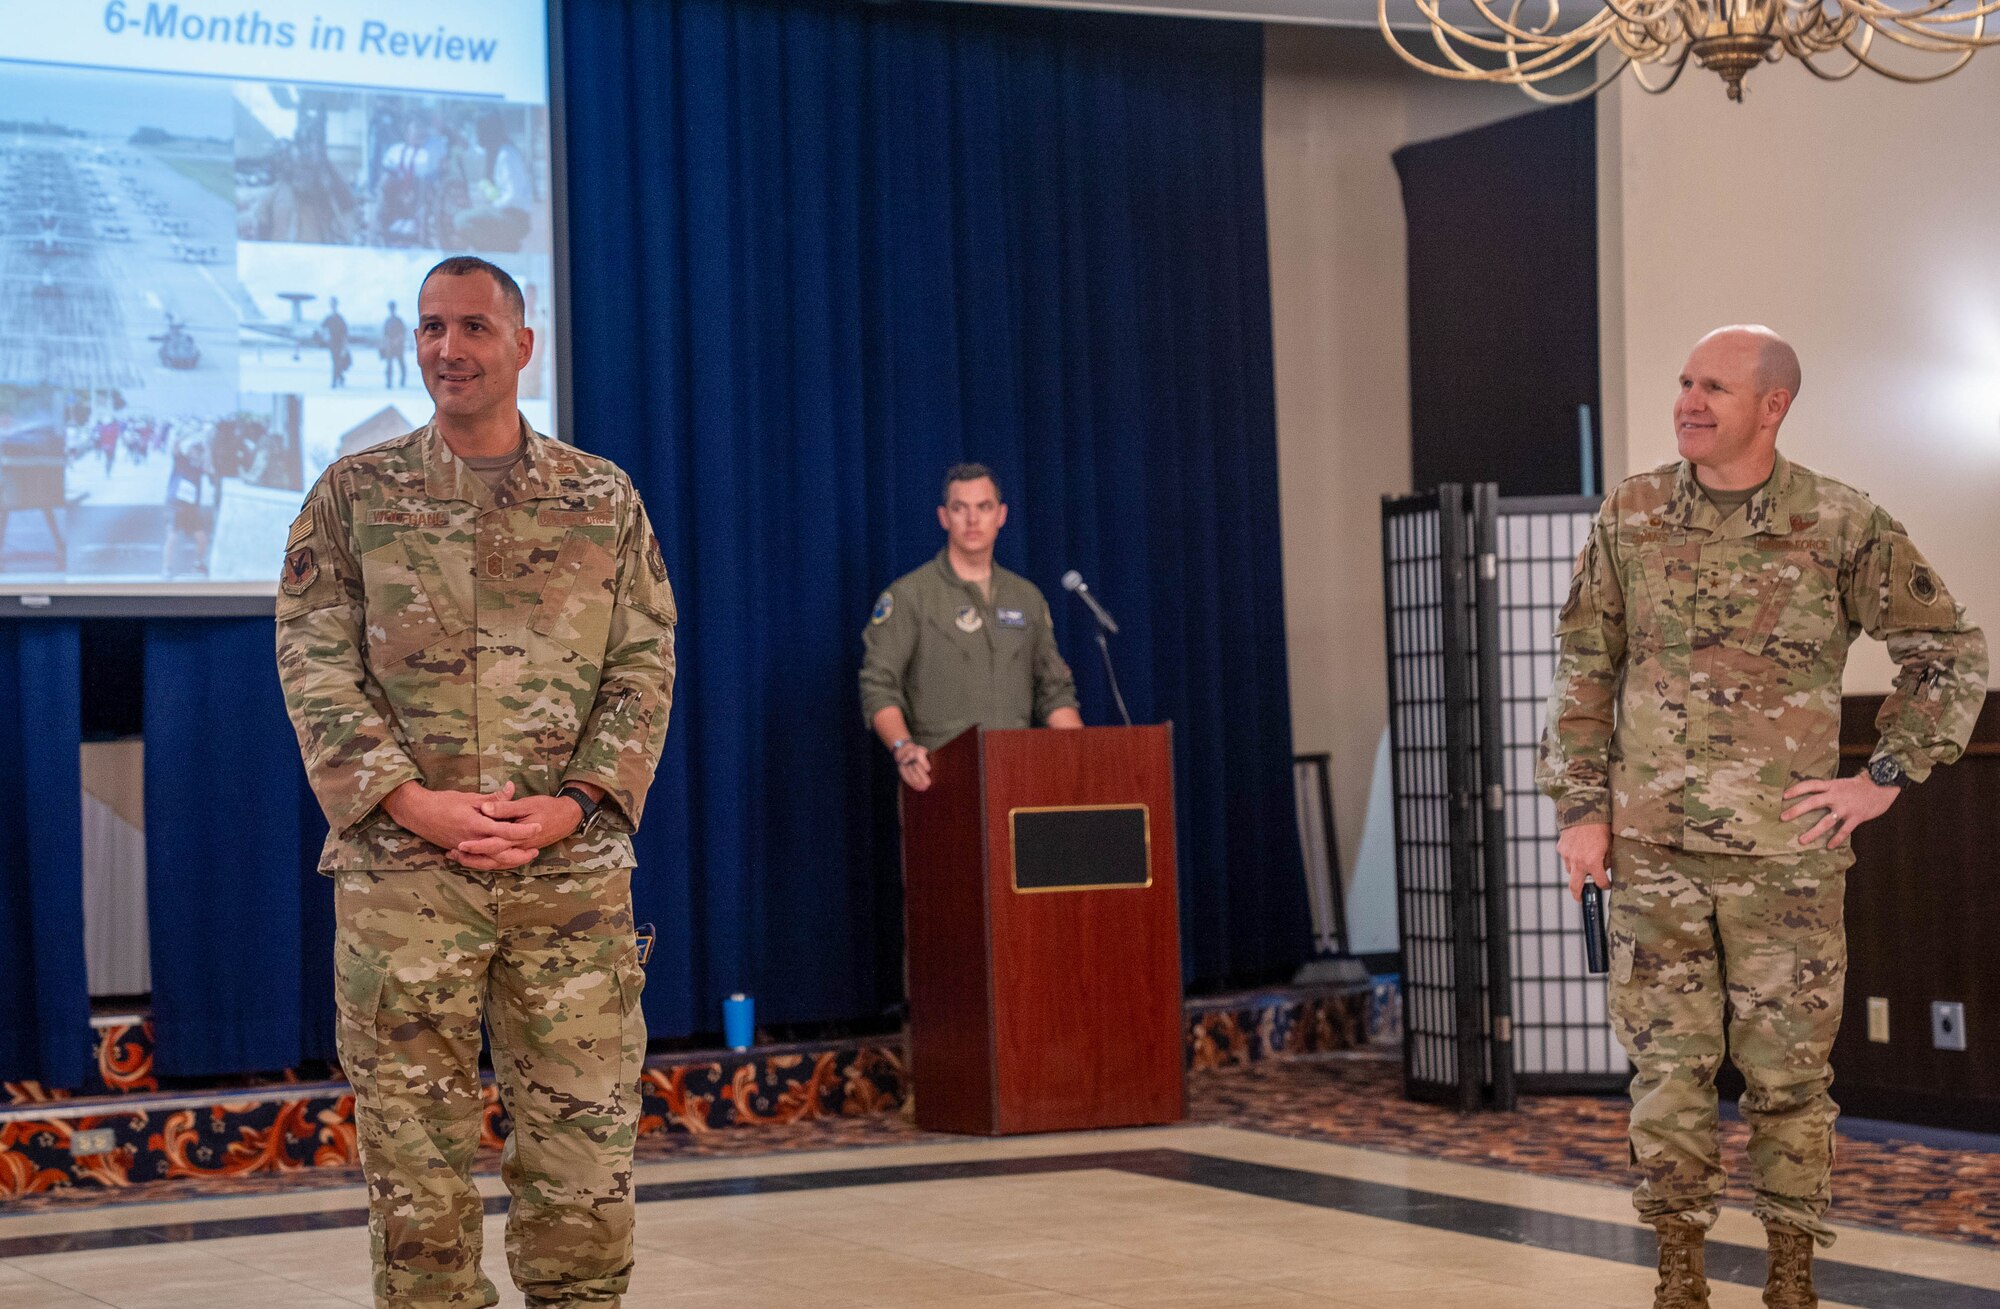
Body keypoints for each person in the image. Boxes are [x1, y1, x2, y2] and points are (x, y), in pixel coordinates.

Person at [1539, 325, 1987, 1309]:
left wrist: (1883, 778)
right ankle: (1676, 1277)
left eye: (1713, 386)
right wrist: (1579, 808)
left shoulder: (1837, 523)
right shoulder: (1633, 512)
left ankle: (1790, 1275)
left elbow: (1947, 653)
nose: (1687, 400)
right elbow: (1583, 667)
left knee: (1788, 1086)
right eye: (1682, 382)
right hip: (1651, 858)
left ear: (1770, 406)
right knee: (1666, 1076)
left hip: (1785, 862)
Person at [275, 255, 676, 1309]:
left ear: (521, 345)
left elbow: (644, 660)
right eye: (428, 328)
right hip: (408, 884)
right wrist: (410, 800)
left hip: (571, 882)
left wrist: (574, 804)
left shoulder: (602, 497)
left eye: (471, 328)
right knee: (417, 1185)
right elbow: (313, 659)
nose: (447, 349)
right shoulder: (354, 496)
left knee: (584, 1170)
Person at [859, 462, 1082, 792]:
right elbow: (878, 684)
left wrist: (1084, 756)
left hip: (1018, 777)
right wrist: (902, 747)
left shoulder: (1026, 598)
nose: (973, 520)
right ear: (943, 517)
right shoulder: (909, 596)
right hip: (940, 776)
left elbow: (1053, 692)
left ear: (1001, 515)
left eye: (984, 507)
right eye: (960, 508)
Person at [454, 112, 533, 253]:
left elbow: (513, 195)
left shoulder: (506, 155)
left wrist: (493, 206)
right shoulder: (494, 152)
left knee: (462, 220)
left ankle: (500, 249)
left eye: (479, 129)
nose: (477, 134)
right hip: (505, 213)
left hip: (514, 218)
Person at [322, 297, 350, 389]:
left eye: (334, 304)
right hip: (332, 343)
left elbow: (345, 333)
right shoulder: (328, 318)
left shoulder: (340, 318)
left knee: (336, 363)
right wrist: (326, 337)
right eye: (331, 304)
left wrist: (345, 346)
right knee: (335, 362)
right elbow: (322, 328)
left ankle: (334, 382)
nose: (332, 306)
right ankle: (340, 378)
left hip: (339, 343)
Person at [381, 300, 408, 388]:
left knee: (401, 364)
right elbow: (385, 334)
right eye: (390, 308)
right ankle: (389, 382)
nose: (391, 310)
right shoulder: (387, 321)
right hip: (390, 347)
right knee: (389, 365)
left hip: (398, 346)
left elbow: (403, 333)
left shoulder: (399, 320)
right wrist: (387, 342)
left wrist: (397, 340)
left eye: (392, 308)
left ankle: (402, 382)